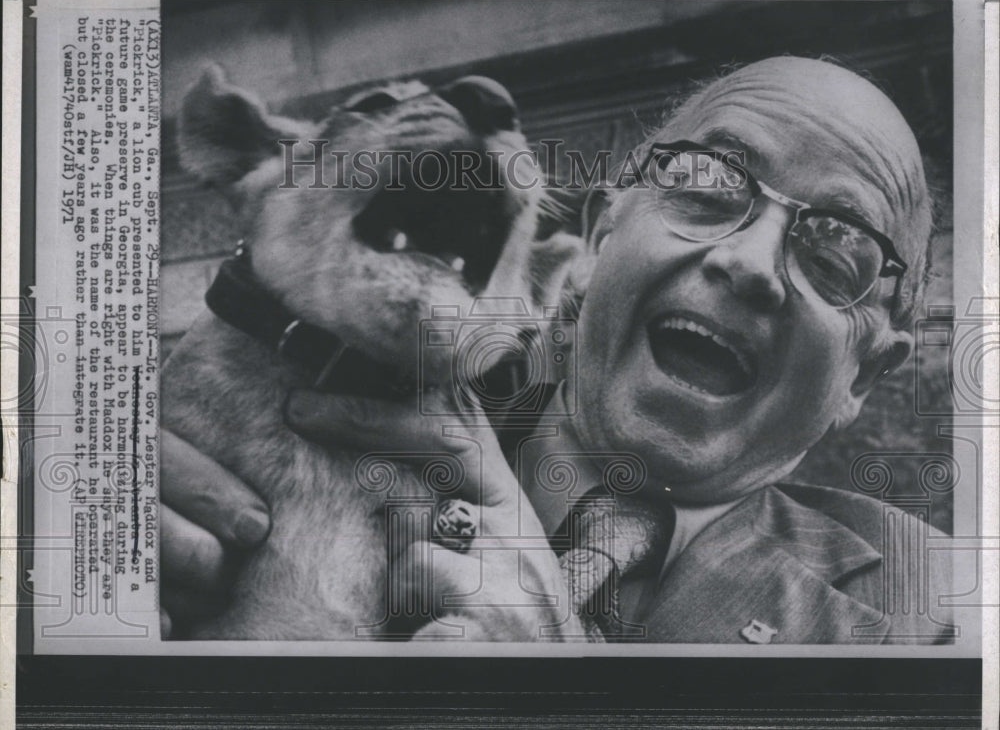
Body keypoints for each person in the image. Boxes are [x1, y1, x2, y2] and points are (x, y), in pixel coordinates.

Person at [161, 56, 955, 643]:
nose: (748, 265)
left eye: (834, 253)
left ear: (868, 372)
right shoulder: (305, 378)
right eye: (710, 185)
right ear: (600, 236)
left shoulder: (944, 612)